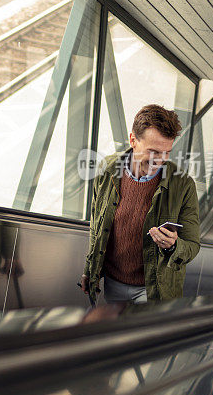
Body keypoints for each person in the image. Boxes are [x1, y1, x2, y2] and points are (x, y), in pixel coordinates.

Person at [80, 104, 200, 304]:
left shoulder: (183, 185)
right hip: (112, 283)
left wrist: (173, 246)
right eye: (153, 152)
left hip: (153, 289)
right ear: (133, 140)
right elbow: (97, 224)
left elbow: (192, 245)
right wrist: (89, 269)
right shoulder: (107, 169)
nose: (159, 161)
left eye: (166, 153)